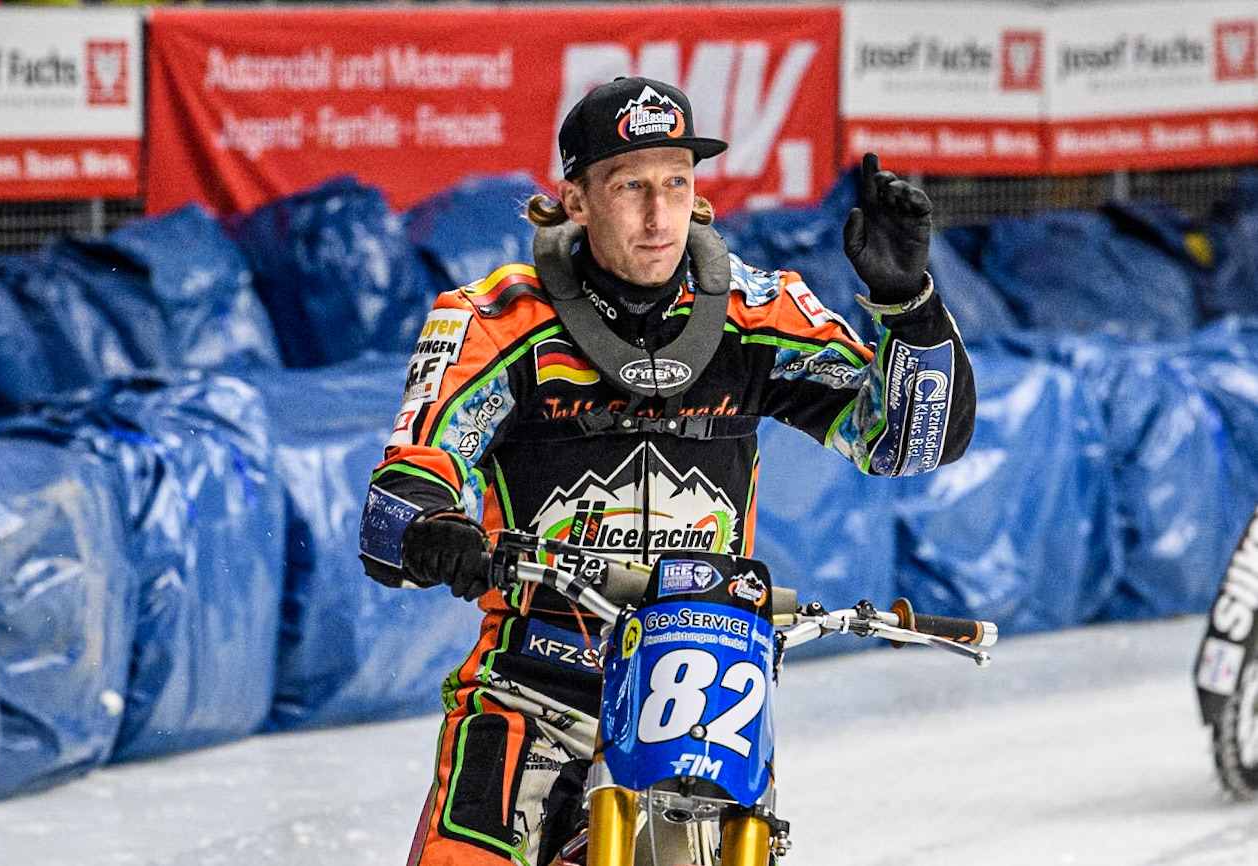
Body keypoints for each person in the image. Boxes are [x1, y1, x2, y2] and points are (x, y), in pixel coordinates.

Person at [359, 76, 976, 866]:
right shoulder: (495, 321)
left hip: (703, 693)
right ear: (576, 199)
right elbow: (409, 476)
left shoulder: (761, 314)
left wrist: (907, 302)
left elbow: (907, 443)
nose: (659, 215)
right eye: (631, 187)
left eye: (676, 183)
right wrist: (433, 526)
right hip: (536, 681)